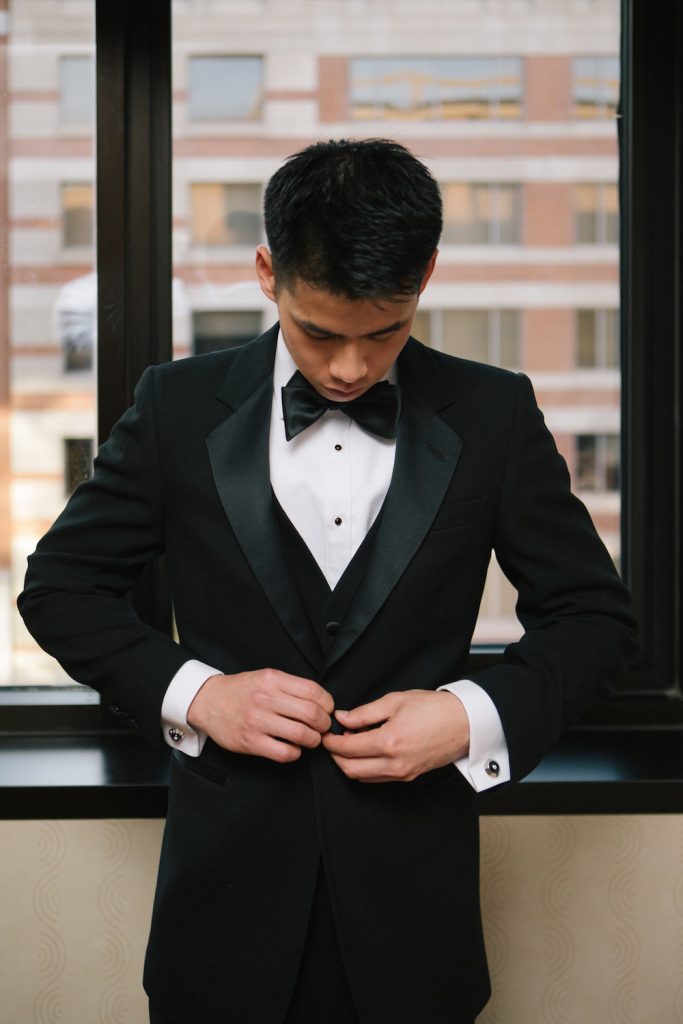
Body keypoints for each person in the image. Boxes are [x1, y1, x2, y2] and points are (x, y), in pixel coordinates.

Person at [18, 139, 637, 1024]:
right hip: (221, 916)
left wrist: (466, 716)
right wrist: (199, 695)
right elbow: (59, 588)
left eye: (382, 334)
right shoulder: (175, 407)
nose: (349, 370)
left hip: (413, 920)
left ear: (425, 273)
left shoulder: (495, 414)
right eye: (320, 334)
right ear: (267, 272)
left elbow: (593, 620)